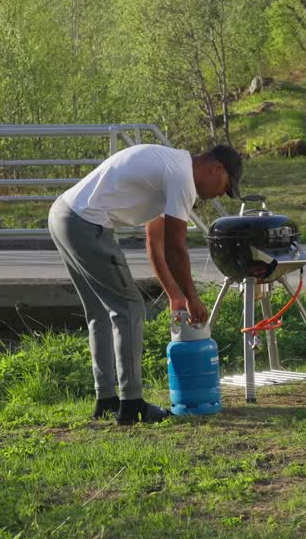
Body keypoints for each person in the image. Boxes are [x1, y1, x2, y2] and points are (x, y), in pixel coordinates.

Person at [48, 143, 243, 425]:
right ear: (216, 168)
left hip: (63, 215)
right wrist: (192, 297)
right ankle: (132, 404)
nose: (218, 195)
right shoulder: (182, 177)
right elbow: (176, 247)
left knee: (100, 312)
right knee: (129, 308)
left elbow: (156, 243)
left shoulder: (168, 167)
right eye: (224, 186)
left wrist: (175, 295)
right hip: (85, 224)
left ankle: (106, 400)